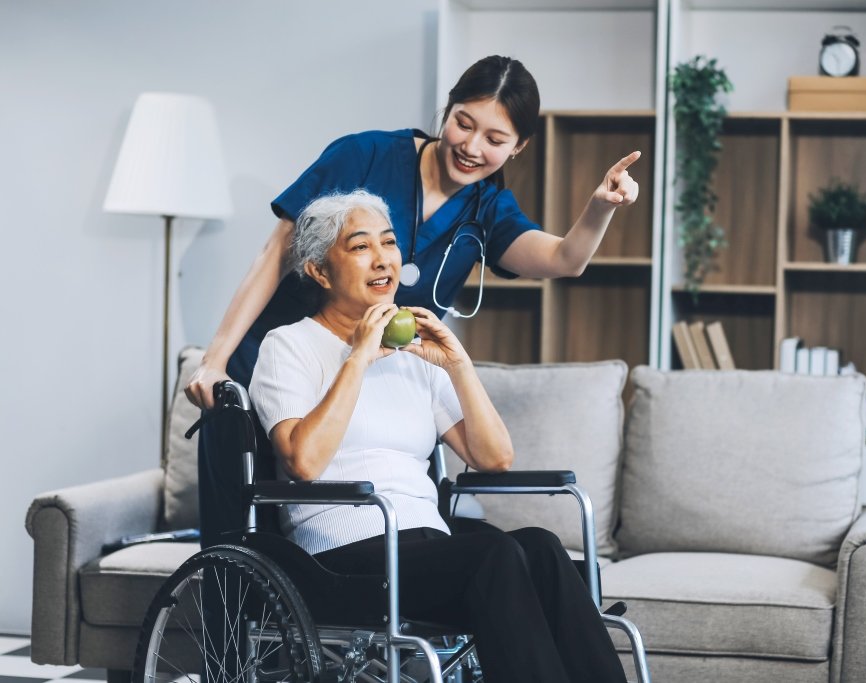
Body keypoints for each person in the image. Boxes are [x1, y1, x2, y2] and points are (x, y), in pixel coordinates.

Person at [188, 54, 639, 545]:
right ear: (446, 112)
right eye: (463, 124)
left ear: (518, 148)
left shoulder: (485, 207)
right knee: (246, 540)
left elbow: (563, 259)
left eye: (494, 139)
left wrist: (600, 208)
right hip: (291, 371)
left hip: (379, 386)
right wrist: (216, 361)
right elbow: (277, 252)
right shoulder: (365, 157)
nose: (470, 147)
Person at [248, 190, 628, 683]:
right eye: (360, 247)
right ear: (320, 271)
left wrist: (457, 363)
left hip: (425, 546)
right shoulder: (289, 346)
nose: (383, 257)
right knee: (492, 554)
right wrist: (358, 357)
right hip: (339, 557)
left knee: (541, 548)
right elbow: (304, 463)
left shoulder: (413, 351)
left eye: (388, 243)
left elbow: (494, 458)